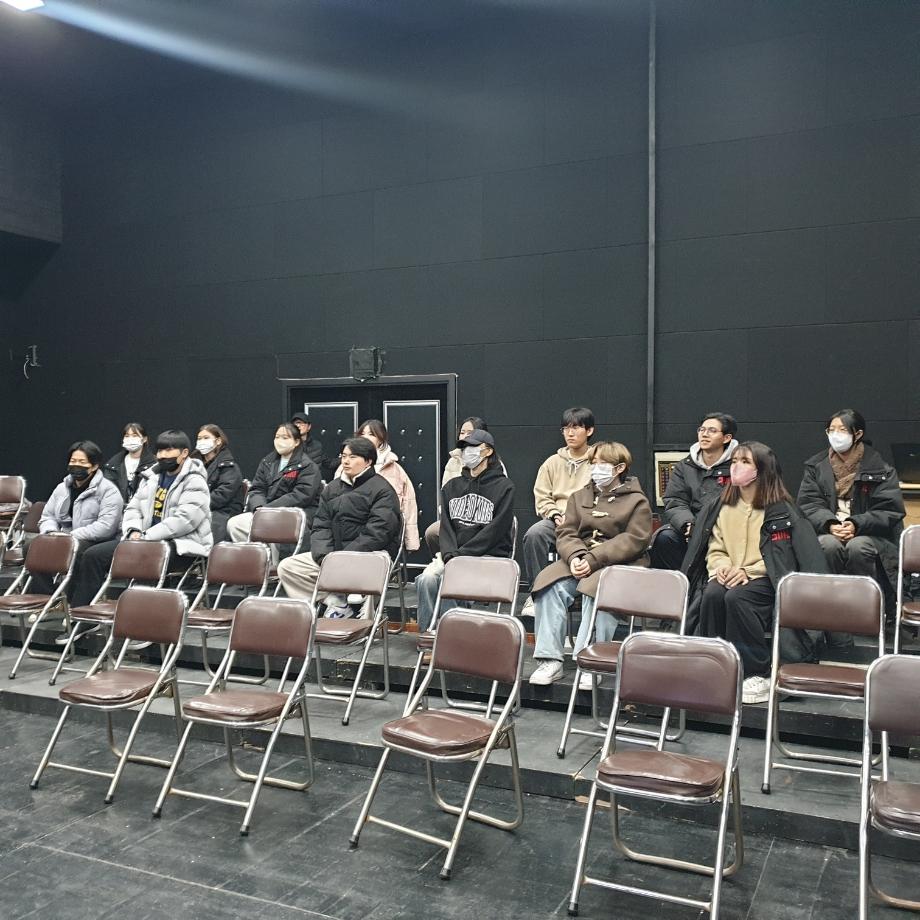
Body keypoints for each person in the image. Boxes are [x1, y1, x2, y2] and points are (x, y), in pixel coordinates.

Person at [683, 441, 827, 705]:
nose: (736, 466)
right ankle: (716, 667)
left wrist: (748, 572)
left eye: (745, 462)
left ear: (761, 469)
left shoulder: (782, 509)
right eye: (735, 461)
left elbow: (783, 558)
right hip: (727, 574)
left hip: (767, 580)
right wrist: (721, 568)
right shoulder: (721, 505)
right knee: (712, 594)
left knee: (737, 598)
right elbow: (715, 546)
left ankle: (756, 672)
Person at [529, 442, 651, 686]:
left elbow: (634, 540)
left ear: (619, 468)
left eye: (602, 464)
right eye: (593, 463)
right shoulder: (580, 496)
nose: (595, 468)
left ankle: (589, 661)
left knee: (597, 590)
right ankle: (550, 659)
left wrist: (594, 560)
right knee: (548, 585)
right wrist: (575, 556)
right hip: (580, 558)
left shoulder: (637, 501)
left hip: (618, 564)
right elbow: (566, 532)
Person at [70, 430, 213, 607]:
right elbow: (133, 508)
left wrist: (147, 536)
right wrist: (134, 531)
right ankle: (80, 611)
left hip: (183, 545)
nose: (162, 455)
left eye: (168, 450)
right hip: (144, 540)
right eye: (159, 451)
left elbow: (185, 520)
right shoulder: (151, 477)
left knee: (146, 556)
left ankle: (140, 612)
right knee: (94, 555)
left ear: (184, 453)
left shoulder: (195, 480)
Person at [798, 409, 905, 630]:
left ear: (858, 434)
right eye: (831, 430)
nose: (835, 435)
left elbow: (889, 509)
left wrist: (856, 524)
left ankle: (868, 612)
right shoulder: (815, 467)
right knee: (826, 545)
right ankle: (828, 612)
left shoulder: (881, 469)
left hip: (871, 535)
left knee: (859, 547)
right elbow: (808, 504)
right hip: (830, 531)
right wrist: (830, 524)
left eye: (842, 429)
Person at [277, 437, 402, 616]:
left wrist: (344, 557)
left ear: (368, 461)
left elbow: (378, 532)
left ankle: (365, 624)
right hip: (333, 555)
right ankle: (335, 603)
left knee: (371, 572)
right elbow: (321, 526)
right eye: (343, 456)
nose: (346, 461)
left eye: (352, 457)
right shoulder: (332, 488)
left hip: (369, 556)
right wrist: (325, 557)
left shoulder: (382, 489)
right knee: (288, 567)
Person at [415, 429, 515, 632]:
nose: (466, 451)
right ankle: (428, 636)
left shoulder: (505, 487)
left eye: (472, 446)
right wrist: (450, 555)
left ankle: (453, 636)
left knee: (452, 580)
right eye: (464, 447)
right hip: (454, 556)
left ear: (488, 451)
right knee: (426, 579)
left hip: (487, 556)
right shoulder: (451, 486)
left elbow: (495, 531)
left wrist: (461, 556)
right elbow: (446, 527)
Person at [520, 408, 595, 616]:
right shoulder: (552, 462)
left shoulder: (598, 461)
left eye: (576, 427)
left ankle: (582, 593)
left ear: (589, 431)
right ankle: (537, 593)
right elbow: (542, 496)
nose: (570, 433)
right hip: (557, 520)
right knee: (535, 534)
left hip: (588, 523)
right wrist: (554, 514)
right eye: (566, 428)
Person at [32, 441, 124, 608]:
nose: (76, 466)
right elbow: (47, 516)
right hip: (64, 537)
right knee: (33, 546)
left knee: (80, 551)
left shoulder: (108, 491)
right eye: (73, 461)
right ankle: (48, 601)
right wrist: (50, 533)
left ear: (94, 466)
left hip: (97, 540)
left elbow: (106, 527)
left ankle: (77, 604)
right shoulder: (61, 488)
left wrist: (70, 537)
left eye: (82, 462)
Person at [651, 412, 738, 571]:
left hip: (726, 530)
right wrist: (688, 524)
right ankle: (682, 582)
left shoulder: (738, 466)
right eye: (701, 429)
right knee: (664, 538)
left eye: (712, 430)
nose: (704, 434)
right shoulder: (684, 466)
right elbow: (675, 500)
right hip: (692, 528)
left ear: (726, 438)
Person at [226, 423, 322, 547]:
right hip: (264, 511)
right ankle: (257, 554)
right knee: (235, 524)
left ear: (296, 442)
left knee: (272, 529)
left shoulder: (307, 466)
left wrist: (270, 509)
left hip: (293, 514)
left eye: (285, 438)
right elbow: (257, 489)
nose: (280, 441)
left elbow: (300, 495)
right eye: (277, 437)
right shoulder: (267, 461)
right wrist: (259, 507)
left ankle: (272, 558)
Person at [337, 419, 420, 553]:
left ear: (381, 439)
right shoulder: (344, 467)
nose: (365, 437)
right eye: (362, 434)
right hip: (348, 530)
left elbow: (408, 505)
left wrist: (411, 542)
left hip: (384, 531)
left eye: (371, 434)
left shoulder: (395, 469)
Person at [425, 416, 503, 556]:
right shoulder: (453, 462)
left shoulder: (498, 469)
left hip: (483, 522)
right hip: (456, 518)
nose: (465, 436)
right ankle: (444, 561)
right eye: (462, 432)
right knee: (432, 533)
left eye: (470, 433)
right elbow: (445, 496)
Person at [195, 424, 244, 543]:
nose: (201, 441)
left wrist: (199, 504)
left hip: (223, 511)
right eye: (199, 438)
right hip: (199, 507)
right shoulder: (194, 463)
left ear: (218, 441)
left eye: (206, 438)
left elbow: (223, 494)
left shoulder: (228, 466)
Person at [103, 422, 157, 501]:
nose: (130, 439)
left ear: (144, 439)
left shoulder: (154, 463)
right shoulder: (113, 464)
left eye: (135, 436)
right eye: (127, 436)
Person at [290, 411, 333, 479]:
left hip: (313, 482)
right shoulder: (288, 445)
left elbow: (328, 463)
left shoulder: (317, 445)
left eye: (301, 423)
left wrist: (344, 457)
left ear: (309, 427)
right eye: (296, 423)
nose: (298, 426)